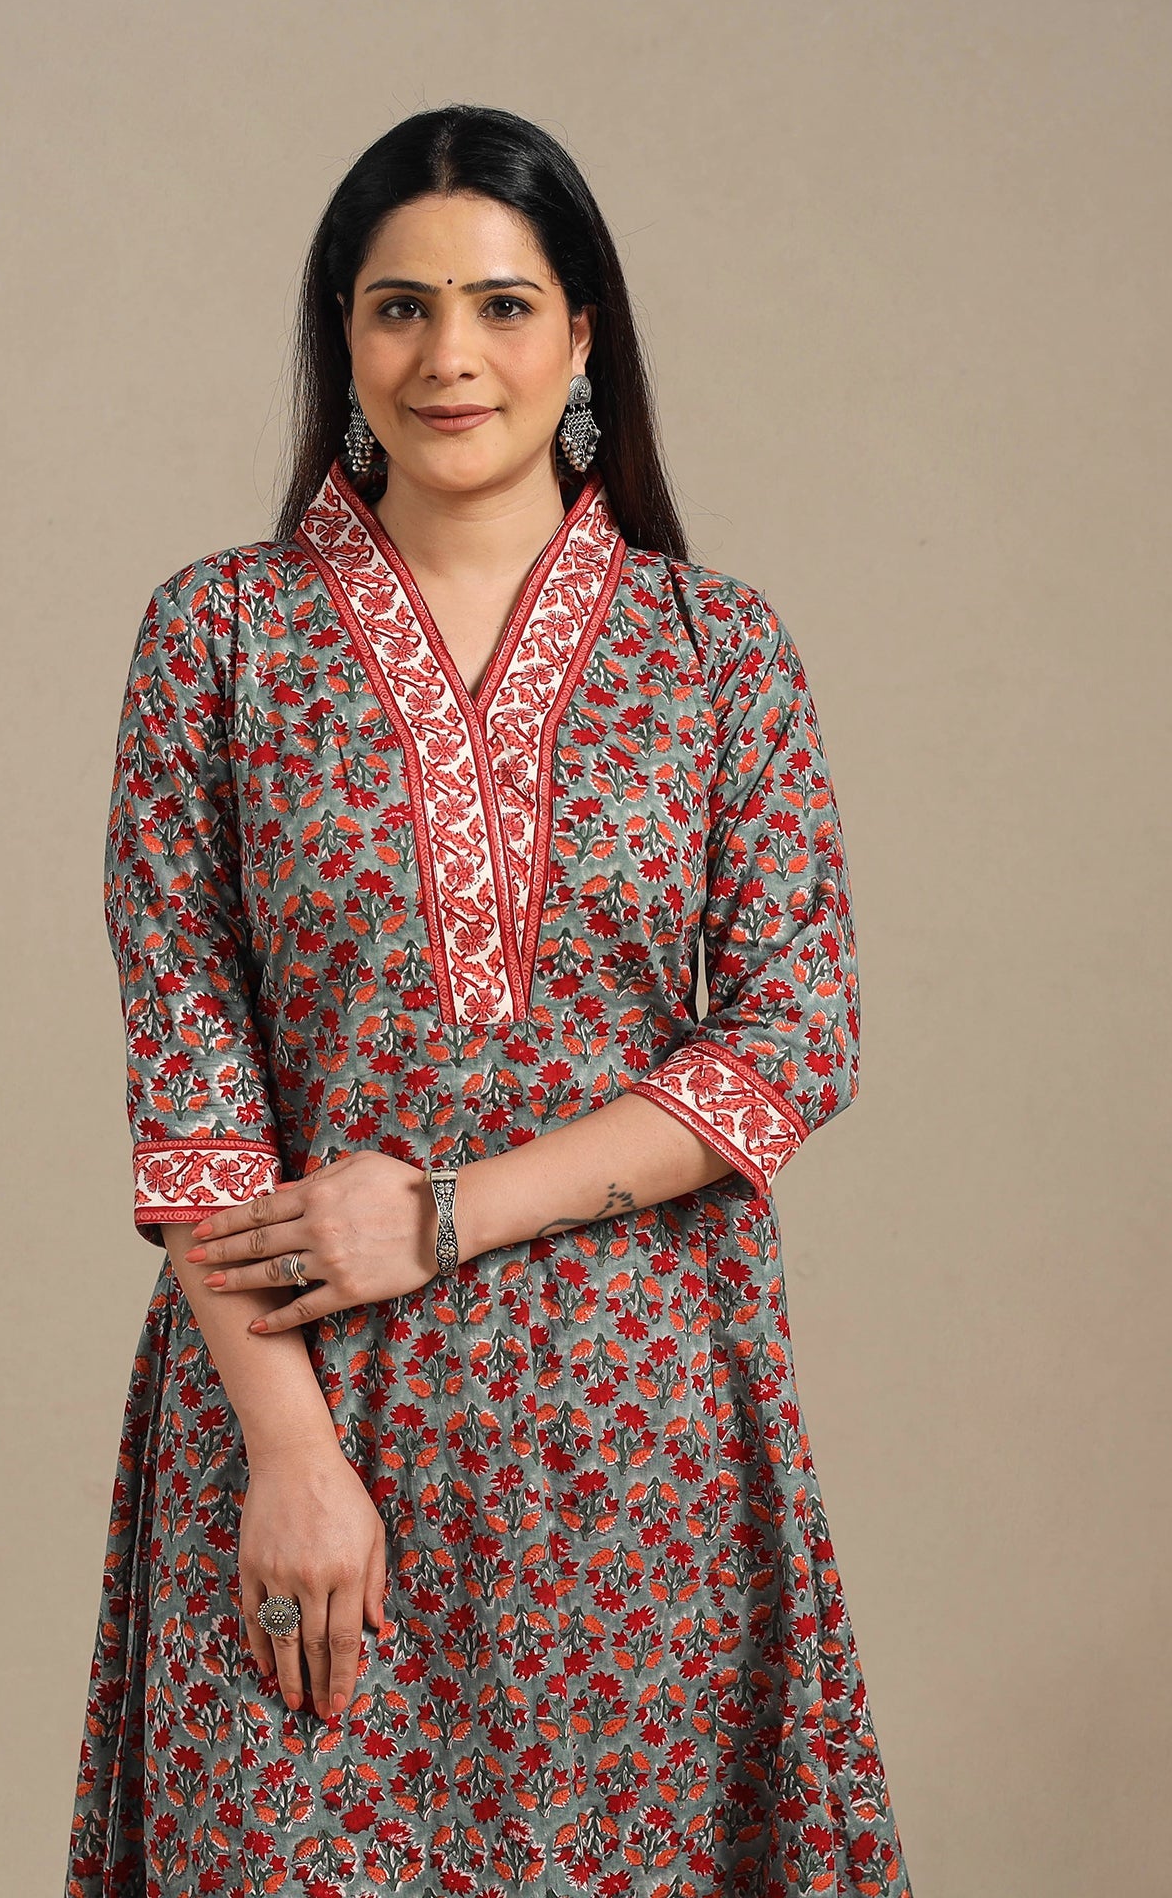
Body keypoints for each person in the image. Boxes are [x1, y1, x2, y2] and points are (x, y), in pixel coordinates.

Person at [66, 104, 912, 1898]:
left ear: (582, 336)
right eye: (401, 308)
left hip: (638, 1435)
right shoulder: (220, 641)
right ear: (344, 339)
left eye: (504, 306)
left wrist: (443, 1215)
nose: (451, 356)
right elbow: (194, 1083)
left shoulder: (715, 652)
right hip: (306, 1419)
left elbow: (797, 1033)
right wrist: (287, 1457)